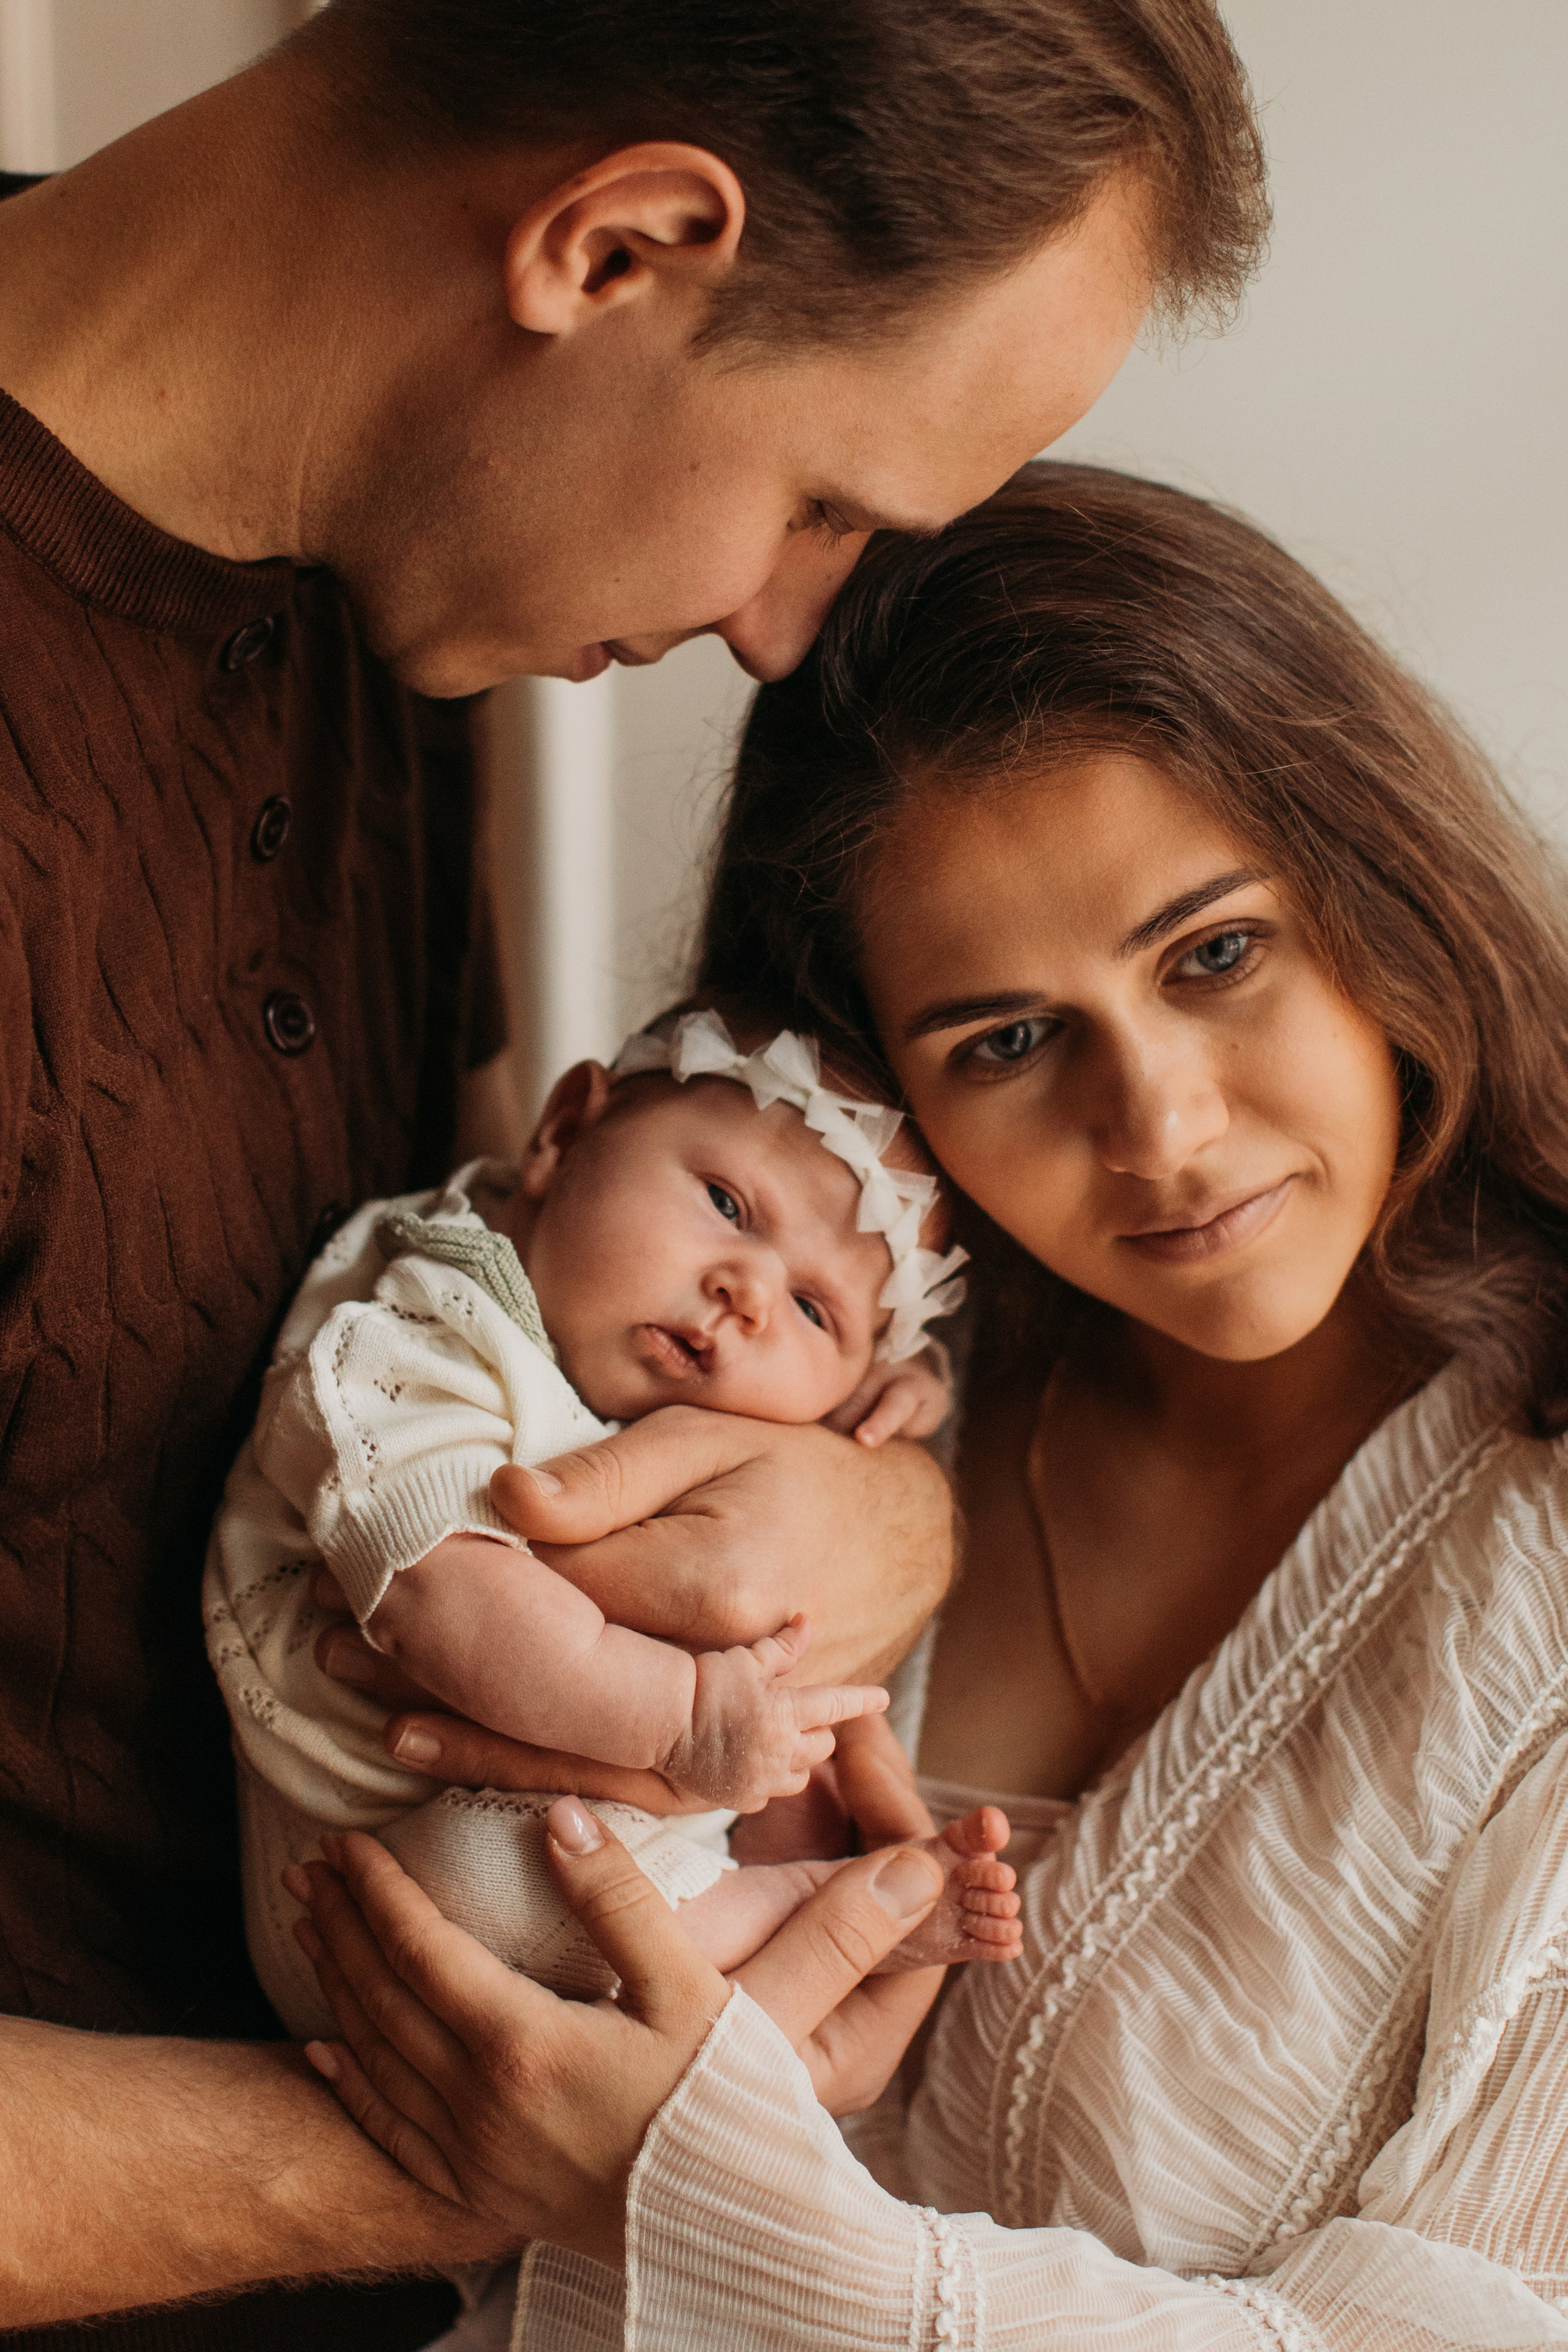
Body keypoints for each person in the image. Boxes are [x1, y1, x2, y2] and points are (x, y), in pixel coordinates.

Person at [0, 0, 1268, 2337]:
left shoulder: (388, 607)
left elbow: (438, 1266)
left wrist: (875, 1515)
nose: (786, 631)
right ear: (616, 246)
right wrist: (462, 2163)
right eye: (828, 506)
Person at [295, 463, 1568, 2346]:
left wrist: (696, 2194)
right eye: (1009, 1041)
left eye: (1216, 954)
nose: (1160, 1130)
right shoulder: (777, 1385)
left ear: (1382, 888)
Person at [208, 1002, 1014, 2054]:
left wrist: (895, 1396)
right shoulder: (418, 1336)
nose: (751, 1295)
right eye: (728, 1202)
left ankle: (803, 1892)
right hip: (360, 1886)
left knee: (797, 1729)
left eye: (817, 1313)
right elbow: (438, 1601)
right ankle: (813, 1911)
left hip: (601, 1816)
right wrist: (686, 1726)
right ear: (560, 1132)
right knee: (497, 1878)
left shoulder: (639, 1360)